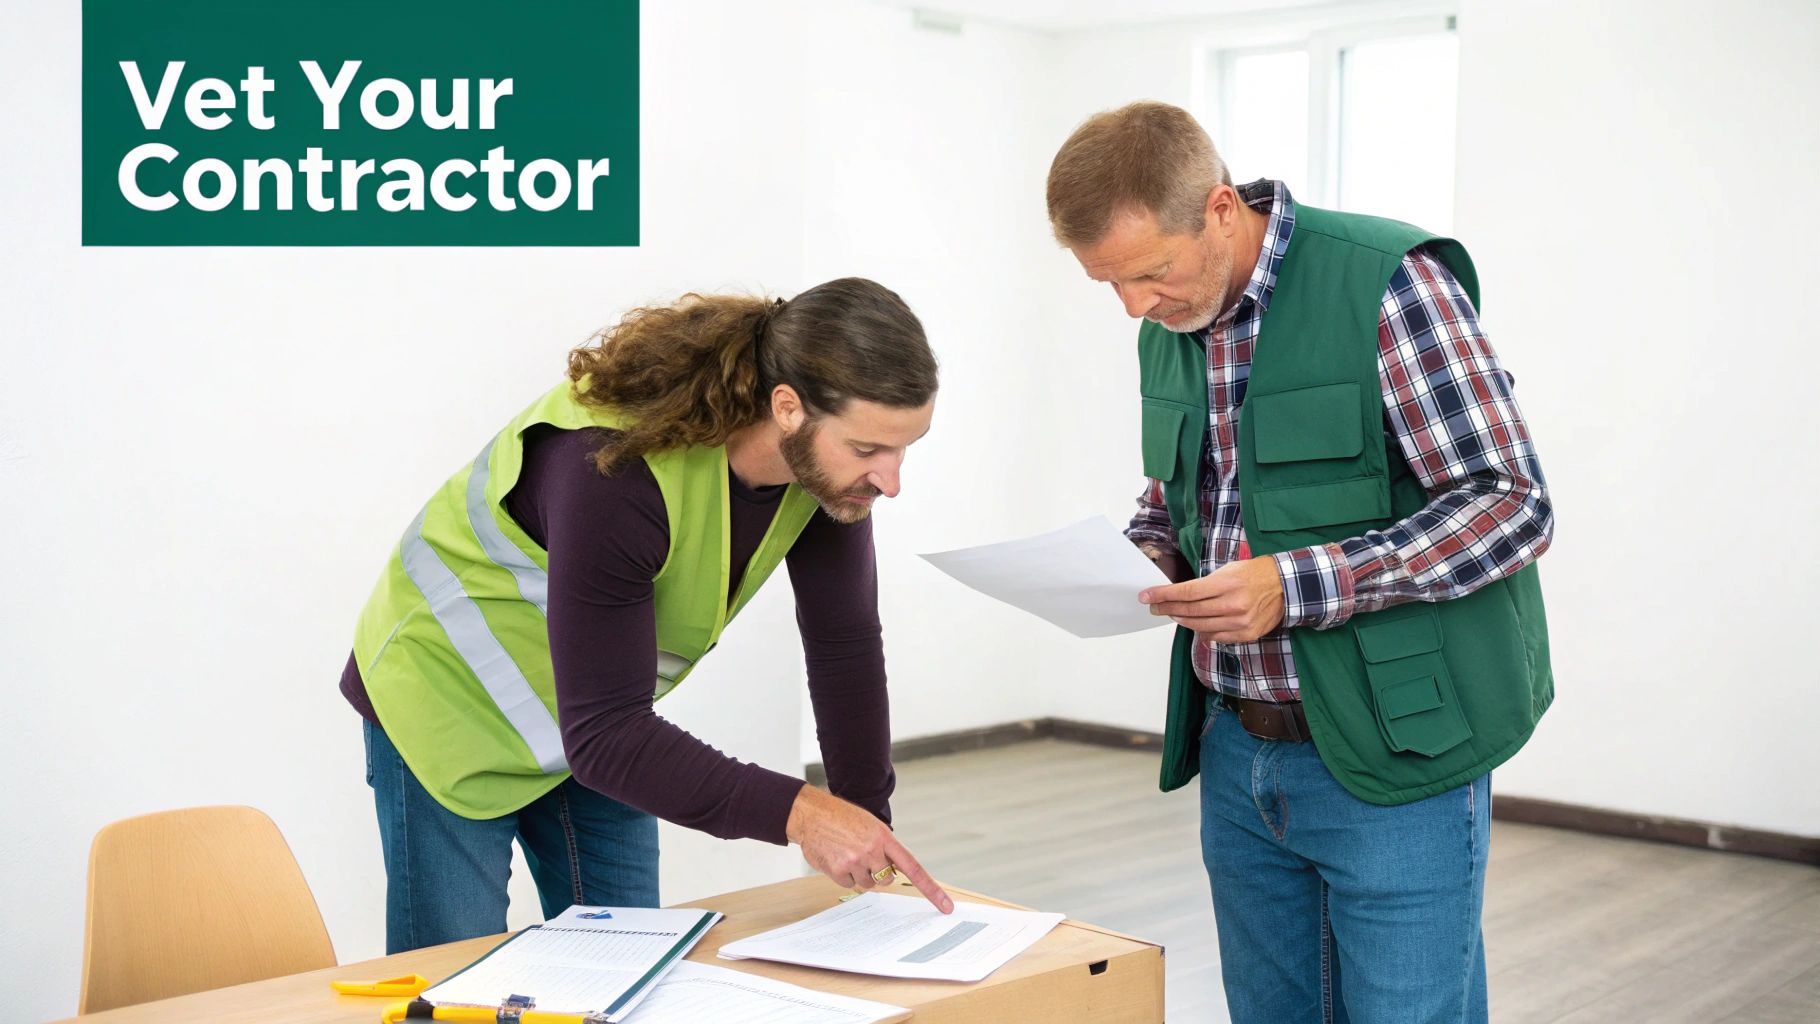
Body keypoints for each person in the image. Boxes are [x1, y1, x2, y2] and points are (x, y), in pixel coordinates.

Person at [1045, 102, 1555, 1023]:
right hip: (1236, 751)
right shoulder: (1170, 326)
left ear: (1220, 209)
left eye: (1150, 273)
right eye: (1108, 283)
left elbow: (1510, 504)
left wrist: (1295, 585)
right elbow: (1182, 500)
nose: (1135, 307)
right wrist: (1141, 555)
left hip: (1396, 752)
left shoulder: (1390, 285)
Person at [340, 277, 954, 954]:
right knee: (454, 978)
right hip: (447, 699)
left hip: (598, 715)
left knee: (629, 963)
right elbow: (605, 736)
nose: (891, 480)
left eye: (904, 448)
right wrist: (803, 813)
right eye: (868, 450)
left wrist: (866, 827)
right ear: (787, 407)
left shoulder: (825, 478)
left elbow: (845, 646)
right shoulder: (613, 471)